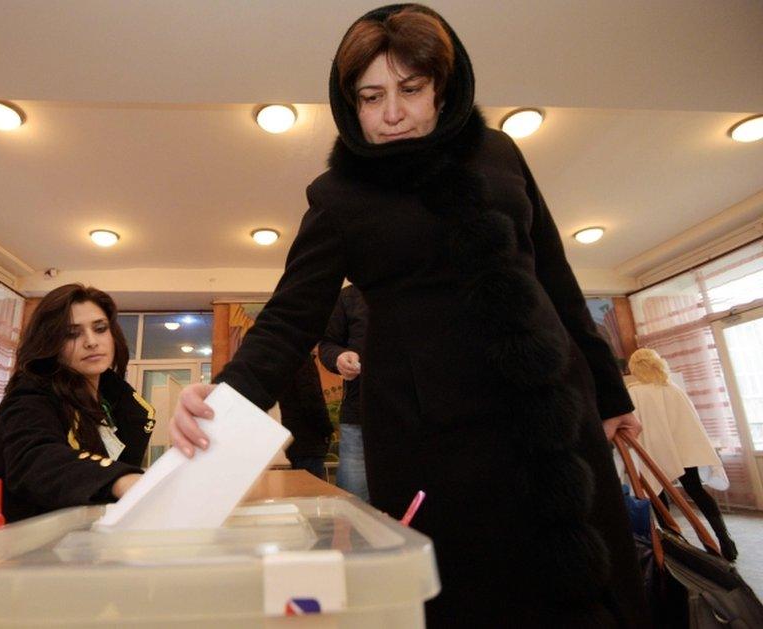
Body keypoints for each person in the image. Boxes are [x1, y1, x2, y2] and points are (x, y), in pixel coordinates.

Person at [170, 5, 647, 626]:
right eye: (371, 97)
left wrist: (610, 392)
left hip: (551, 406)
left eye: (411, 90)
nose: (392, 113)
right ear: (349, 105)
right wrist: (224, 401)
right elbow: (290, 318)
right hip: (435, 429)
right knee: (474, 595)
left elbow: (554, 276)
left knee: (589, 573)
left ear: (442, 89)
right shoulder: (338, 197)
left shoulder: (500, 152)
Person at [0, 284, 155, 523]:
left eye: (100, 329)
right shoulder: (30, 394)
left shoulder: (116, 400)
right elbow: (35, 459)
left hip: (94, 534)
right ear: (51, 343)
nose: (91, 342)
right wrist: (120, 479)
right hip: (39, 544)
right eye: (72, 334)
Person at [627, 348, 737, 561]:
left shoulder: (634, 393)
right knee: (696, 490)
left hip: (653, 452)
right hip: (682, 450)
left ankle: (677, 545)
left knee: (659, 494)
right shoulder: (673, 389)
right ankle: (725, 539)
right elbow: (690, 424)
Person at [318, 284, 370, 500]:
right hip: (358, 414)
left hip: (418, 417)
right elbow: (327, 345)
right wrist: (338, 357)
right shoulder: (349, 296)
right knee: (354, 504)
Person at [276, 353, 334, 479]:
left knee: (300, 488)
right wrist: (327, 430)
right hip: (310, 438)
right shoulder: (303, 362)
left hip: (294, 437)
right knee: (313, 491)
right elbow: (312, 400)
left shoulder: (285, 361)